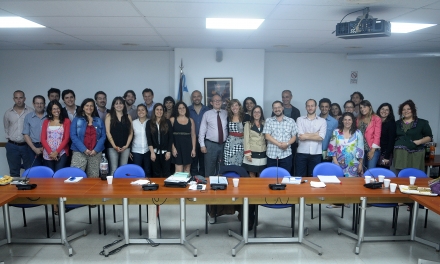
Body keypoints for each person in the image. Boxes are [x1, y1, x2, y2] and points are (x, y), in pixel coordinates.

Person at [393, 100, 432, 173]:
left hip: (416, 154)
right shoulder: (397, 123)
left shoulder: (422, 123)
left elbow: (429, 137)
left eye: (408, 109)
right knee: (401, 176)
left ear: (413, 110)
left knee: (415, 175)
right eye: (403, 109)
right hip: (400, 154)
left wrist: (419, 142)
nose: (406, 111)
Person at [70, 98, 106, 177]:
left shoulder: (99, 120)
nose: (89, 107)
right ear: (83, 107)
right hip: (79, 152)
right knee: (76, 175)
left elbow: (103, 136)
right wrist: (84, 149)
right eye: (87, 105)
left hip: (95, 153)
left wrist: (96, 150)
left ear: (94, 108)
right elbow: (73, 135)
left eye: (91, 106)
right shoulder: (76, 120)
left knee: (93, 176)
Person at [4, 90, 34, 175]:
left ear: (24, 98)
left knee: (29, 171)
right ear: (13, 99)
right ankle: (14, 188)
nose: (19, 100)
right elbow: (6, 128)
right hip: (12, 146)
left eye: (21, 97)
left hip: (27, 146)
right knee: (14, 171)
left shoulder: (31, 111)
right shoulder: (8, 113)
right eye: (16, 98)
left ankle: (28, 188)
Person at [263, 100, 298, 172]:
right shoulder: (269, 121)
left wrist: (287, 144)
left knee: (285, 178)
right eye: (275, 108)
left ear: (282, 108)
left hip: (286, 155)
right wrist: (279, 144)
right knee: (271, 178)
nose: (277, 109)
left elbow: (294, 137)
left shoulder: (291, 121)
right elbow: (267, 136)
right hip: (271, 155)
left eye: (279, 107)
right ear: (273, 110)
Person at [272, 90, 301, 175]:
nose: (285, 99)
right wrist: (279, 143)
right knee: (275, 170)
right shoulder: (276, 110)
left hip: (290, 144)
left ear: (291, 97)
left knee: (289, 167)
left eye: (287, 97)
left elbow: (296, 129)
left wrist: (288, 143)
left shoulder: (296, 111)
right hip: (277, 144)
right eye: (283, 97)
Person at [199, 94, 228, 177]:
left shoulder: (226, 113)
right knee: (209, 168)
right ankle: (209, 187)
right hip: (210, 145)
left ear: (222, 102)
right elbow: (202, 130)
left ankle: (221, 186)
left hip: (223, 145)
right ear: (211, 102)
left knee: (222, 168)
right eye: (215, 100)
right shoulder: (207, 114)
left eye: (219, 100)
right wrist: (202, 145)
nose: (217, 102)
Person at [296, 99, 327, 177]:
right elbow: (300, 136)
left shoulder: (322, 121)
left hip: (316, 153)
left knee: (314, 177)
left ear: (316, 107)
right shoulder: (299, 119)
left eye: (312, 106)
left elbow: (321, 137)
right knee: (300, 177)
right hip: (301, 153)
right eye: (308, 106)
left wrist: (306, 135)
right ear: (306, 107)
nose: (310, 108)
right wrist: (315, 134)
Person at [328, 112, 364, 177]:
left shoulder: (358, 132)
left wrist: (360, 164)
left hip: (353, 165)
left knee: (352, 186)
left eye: (349, 120)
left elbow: (360, 150)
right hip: (338, 164)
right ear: (342, 121)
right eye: (345, 119)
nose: (347, 122)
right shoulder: (336, 132)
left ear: (352, 121)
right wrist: (336, 164)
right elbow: (332, 149)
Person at [105, 97, 133, 176]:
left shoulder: (128, 117)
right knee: (114, 168)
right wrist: (114, 146)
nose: (119, 105)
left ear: (124, 105)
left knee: (123, 168)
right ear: (113, 105)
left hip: (125, 147)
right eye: (116, 103)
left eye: (120, 103)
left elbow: (131, 133)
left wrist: (126, 146)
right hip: (112, 147)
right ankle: (112, 187)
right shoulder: (109, 116)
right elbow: (108, 132)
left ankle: (122, 187)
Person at [41, 100, 71, 172]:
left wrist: (56, 152)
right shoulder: (46, 121)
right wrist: (51, 153)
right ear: (50, 110)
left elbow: (66, 138)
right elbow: (43, 139)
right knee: (50, 175)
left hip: (61, 152)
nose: (56, 110)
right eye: (54, 109)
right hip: (48, 153)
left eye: (58, 108)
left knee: (59, 175)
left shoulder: (66, 121)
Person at [146, 103, 173, 177]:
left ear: (163, 111)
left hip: (165, 152)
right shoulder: (149, 123)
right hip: (154, 152)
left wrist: (168, 151)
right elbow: (149, 139)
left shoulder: (167, 122)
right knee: (156, 173)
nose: (159, 111)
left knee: (166, 173)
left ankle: (166, 188)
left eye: (161, 109)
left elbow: (170, 138)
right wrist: (152, 152)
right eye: (157, 109)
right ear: (154, 111)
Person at [189, 90, 210, 176]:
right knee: (193, 163)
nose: (196, 98)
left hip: (205, 140)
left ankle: (202, 181)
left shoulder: (208, 109)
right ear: (192, 98)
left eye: (198, 96)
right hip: (191, 140)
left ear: (201, 97)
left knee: (203, 163)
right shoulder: (187, 109)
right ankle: (194, 180)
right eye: (194, 96)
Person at [170, 102, 196, 173]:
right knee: (179, 169)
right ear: (177, 109)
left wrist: (193, 149)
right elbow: (169, 136)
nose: (182, 109)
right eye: (179, 108)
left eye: (183, 107)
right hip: (177, 147)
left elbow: (193, 135)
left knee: (187, 169)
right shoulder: (172, 120)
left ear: (186, 109)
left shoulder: (191, 120)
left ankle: (186, 184)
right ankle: (178, 184)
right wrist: (173, 148)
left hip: (187, 147)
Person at [242, 105, 266, 177]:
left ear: (261, 113)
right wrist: (247, 153)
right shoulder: (248, 124)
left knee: (261, 173)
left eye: (258, 112)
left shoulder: (265, 124)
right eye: (255, 112)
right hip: (252, 152)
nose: (256, 114)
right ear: (252, 113)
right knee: (252, 172)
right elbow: (246, 139)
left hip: (263, 152)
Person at [357, 100, 382, 169]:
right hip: (361, 149)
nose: (362, 109)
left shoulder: (376, 118)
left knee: (370, 170)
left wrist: (372, 151)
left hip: (372, 148)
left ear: (370, 107)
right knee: (360, 170)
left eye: (364, 107)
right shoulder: (359, 119)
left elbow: (377, 135)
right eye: (361, 108)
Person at [22, 95, 46, 167]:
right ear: (33, 104)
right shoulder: (28, 117)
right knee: (35, 170)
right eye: (37, 103)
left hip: (48, 147)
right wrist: (34, 148)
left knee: (48, 170)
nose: (39, 105)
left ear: (44, 104)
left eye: (41, 103)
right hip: (33, 147)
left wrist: (45, 148)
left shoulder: (50, 116)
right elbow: (26, 134)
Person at [131, 104, 151, 177]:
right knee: (137, 171)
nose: (141, 111)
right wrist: (129, 150)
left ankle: (148, 186)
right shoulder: (133, 123)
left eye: (143, 110)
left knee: (148, 170)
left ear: (146, 112)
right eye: (139, 110)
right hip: (136, 150)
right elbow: (130, 137)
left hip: (148, 150)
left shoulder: (150, 122)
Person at [223, 99, 245, 166]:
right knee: (228, 162)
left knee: (239, 162)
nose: (234, 107)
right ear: (230, 108)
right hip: (230, 143)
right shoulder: (228, 117)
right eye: (232, 106)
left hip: (241, 143)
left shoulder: (245, 117)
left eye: (236, 105)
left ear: (239, 106)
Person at [376, 103, 396, 168]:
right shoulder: (375, 121)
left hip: (385, 153)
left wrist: (387, 156)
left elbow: (391, 141)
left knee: (383, 173)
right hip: (375, 151)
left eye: (387, 110)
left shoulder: (391, 123)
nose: (384, 111)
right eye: (382, 109)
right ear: (379, 110)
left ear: (390, 112)